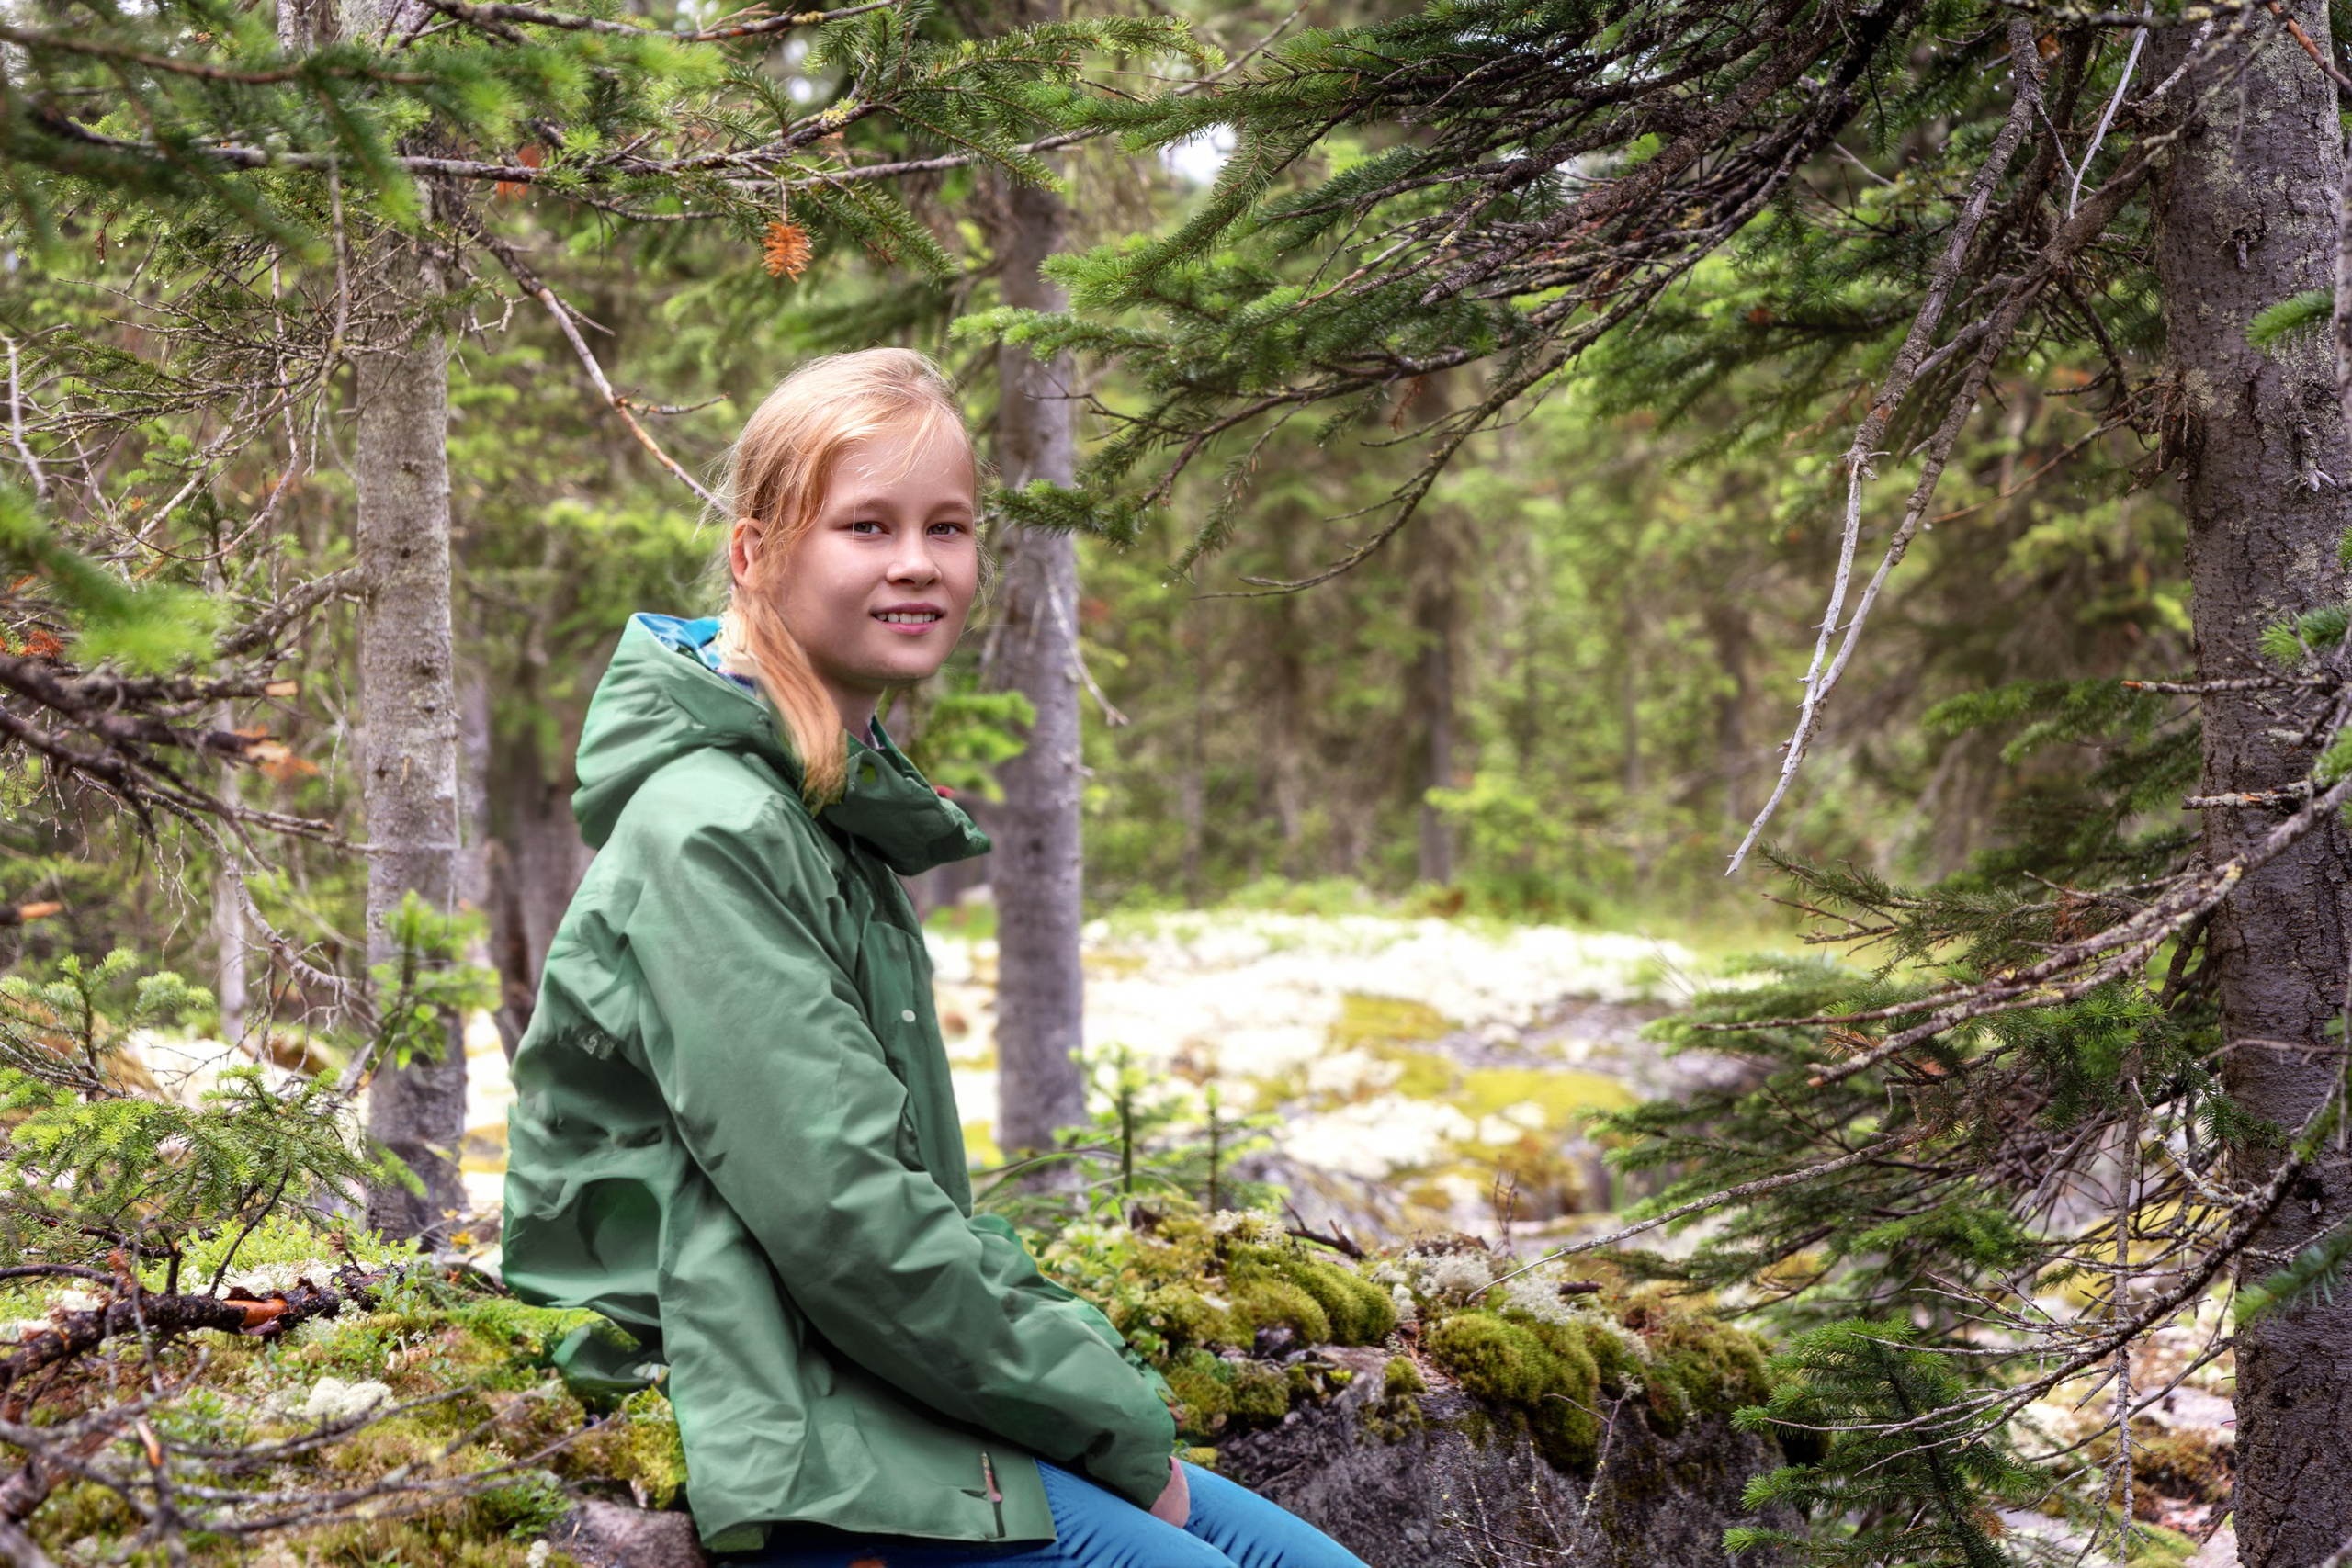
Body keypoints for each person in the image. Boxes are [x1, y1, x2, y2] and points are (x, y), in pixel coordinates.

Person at [502, 349, 1369, 1568]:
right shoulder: (712, 829)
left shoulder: (822, 811)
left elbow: (885, 1202)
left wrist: (1062, 1366)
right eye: (866, 524)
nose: (917, 561)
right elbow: (848, 1220)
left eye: (946, 526)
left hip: (824, 1343)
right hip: (736, 1378)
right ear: (754, 555)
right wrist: (1113, 1424)